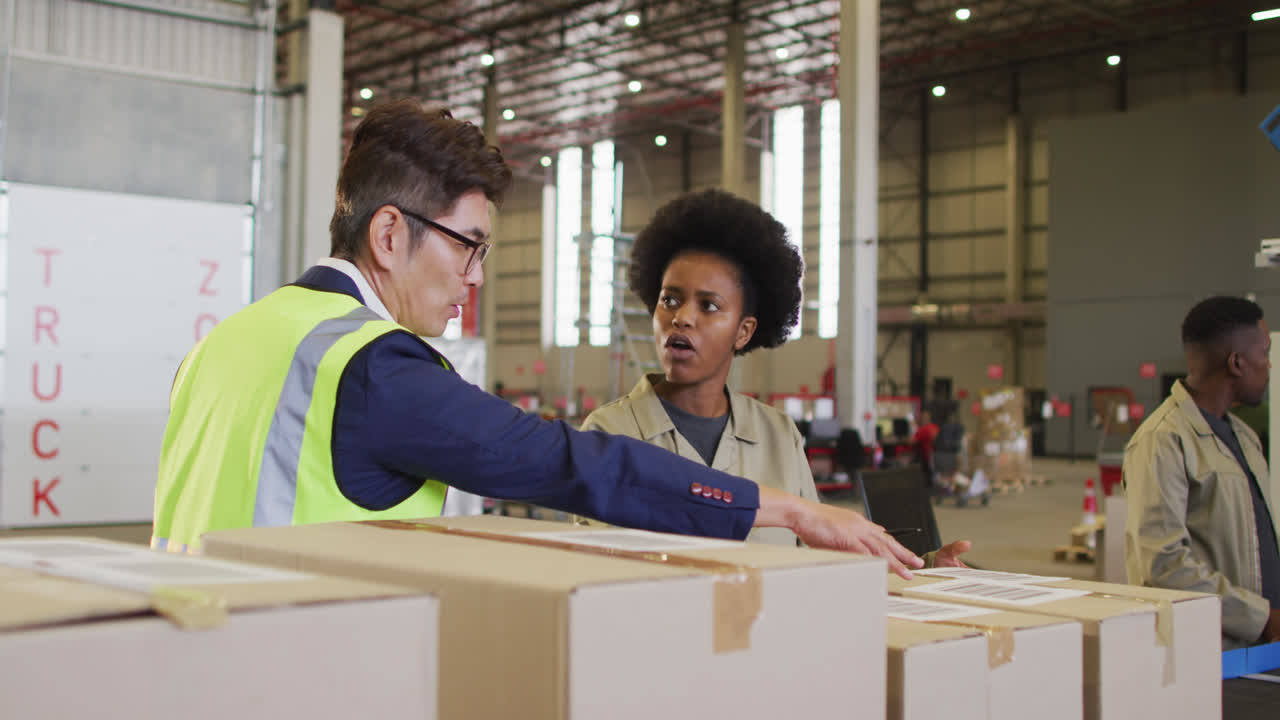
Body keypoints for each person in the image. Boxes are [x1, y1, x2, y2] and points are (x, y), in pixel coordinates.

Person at [152, 100, 924, 577]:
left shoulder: (225, 343)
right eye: (468, 244)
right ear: (390, 234)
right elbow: (565, 462)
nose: (476, 276)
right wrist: (788, 511)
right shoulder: (374, 368)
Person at [580, 189, 969, 564]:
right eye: (670, 300)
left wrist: (926, 568)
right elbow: (594, 568)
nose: (681, 317)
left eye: (709, 305)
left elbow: (821, 550)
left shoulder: (779, 436)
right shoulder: (608, 433)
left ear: (744, 331)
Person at [1124, 296, 1280, 649]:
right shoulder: (1163, 440)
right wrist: (1261, 616)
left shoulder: (1245, 437)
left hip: (1261, 647)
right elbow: (1162, 567)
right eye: (1265, 354)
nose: (1269, 366)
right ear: (1237, 362)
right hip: (1211, 652)